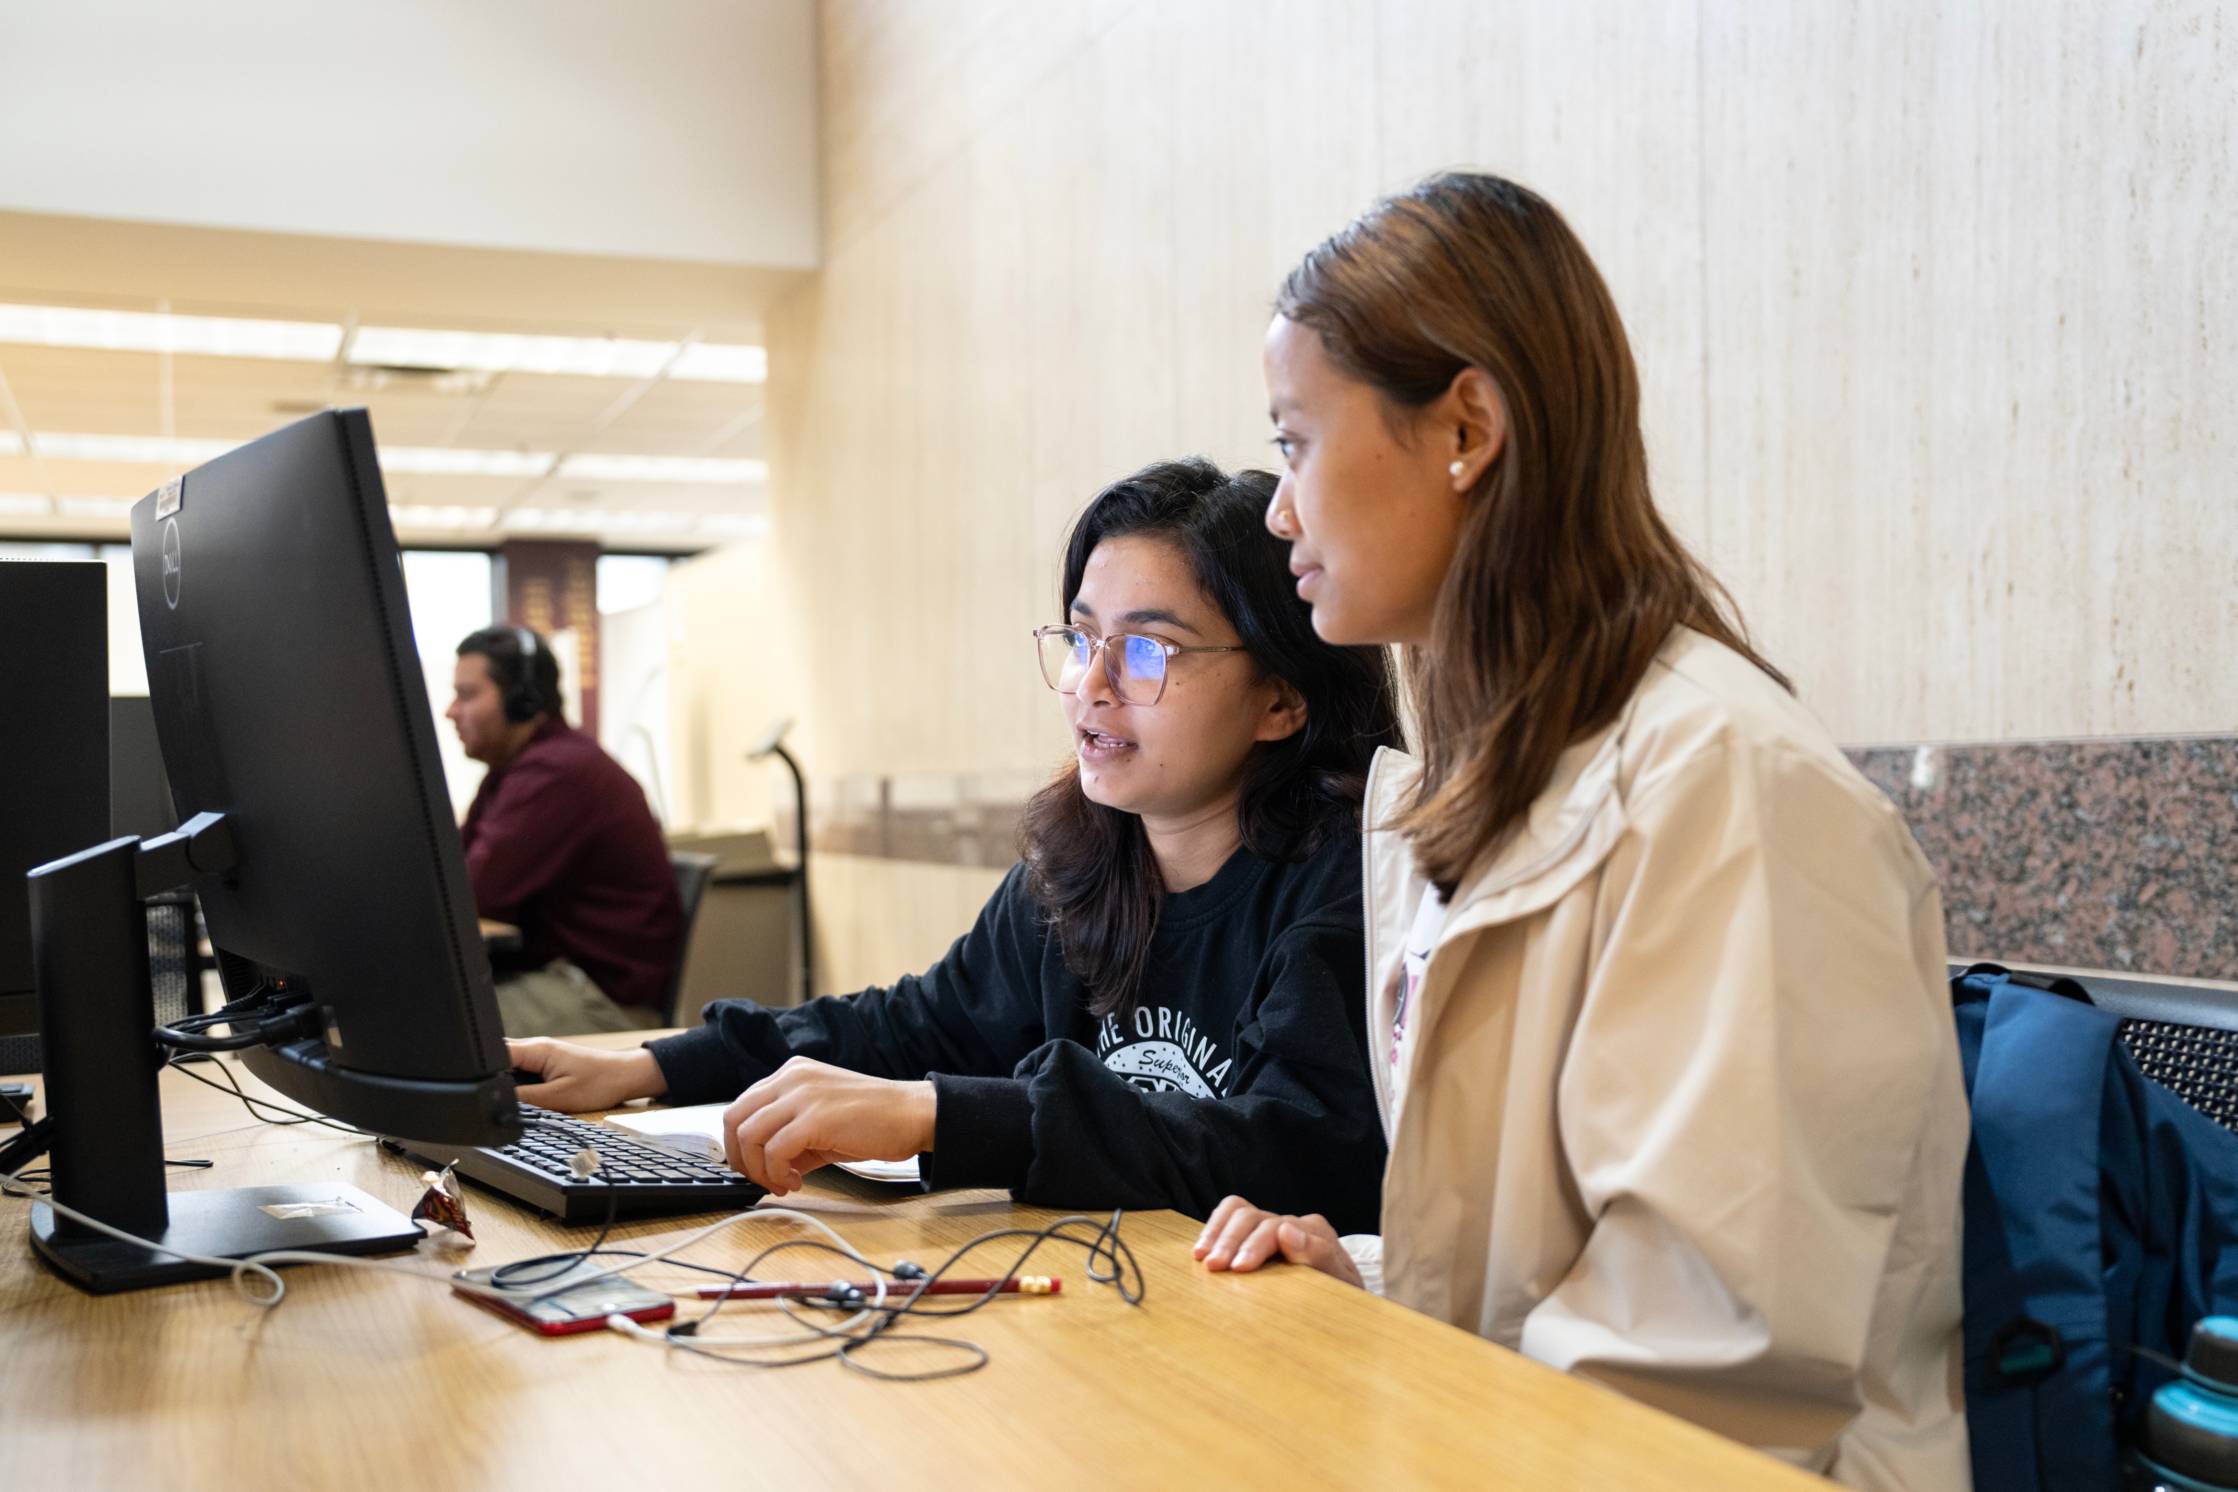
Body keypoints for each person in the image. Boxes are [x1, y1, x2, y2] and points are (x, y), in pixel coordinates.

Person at [1193, 173, 1971, 1490]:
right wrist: (1366, 1275)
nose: (1277, 514)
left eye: (1294, 444)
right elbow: (1557, 1276)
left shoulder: (1727, 791)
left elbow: (1710, 1377)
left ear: (1466, 427)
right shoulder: (1491, 775)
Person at [509, 459, 1401, 1230]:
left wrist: (940, 1115)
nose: (1089, 685)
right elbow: (909, 1026)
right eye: (1083, 638)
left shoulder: (1350, 885)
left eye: (1146, 652)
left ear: (1284, 700)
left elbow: (1290, 1150)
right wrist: (646, 1067)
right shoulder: (1076, 868)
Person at [448, 624, 684, 1037]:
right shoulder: (515, 770)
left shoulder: (554, 773)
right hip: (563, 978)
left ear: (522, 700)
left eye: (467, 695)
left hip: (603, 1004)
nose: (451, 710)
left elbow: (468, 892)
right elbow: (453, 867)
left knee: (426, 1024)